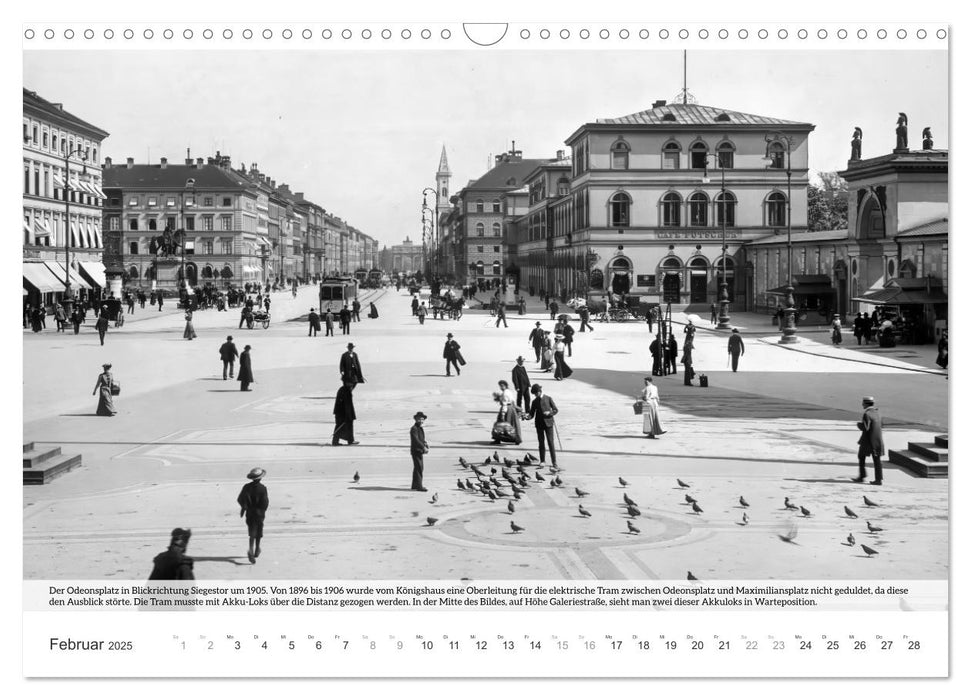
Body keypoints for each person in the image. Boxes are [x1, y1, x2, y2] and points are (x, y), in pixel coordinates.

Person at [237, 467, 269, 564]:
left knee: (252, 532)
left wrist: (244, 507)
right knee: (259, 532)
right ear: (260, 478)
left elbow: (240, 499)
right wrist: (262, 511)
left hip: (250, 513)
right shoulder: (262, 488)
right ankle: (257, 549)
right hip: (259, 514)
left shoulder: (246, 487)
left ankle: (251, 549)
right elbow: (265, 502)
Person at [853, 396, 884, 485]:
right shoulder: (878, 413)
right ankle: (878, 480)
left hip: (867, 441)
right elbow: (882, 425)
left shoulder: (867, 414)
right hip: (878, 440)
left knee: (861, 457)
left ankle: (862, 476)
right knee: (877, 460)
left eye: (863, 403)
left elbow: (865, 427)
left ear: (866, 404)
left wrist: (859, 425)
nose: (862, 404)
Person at [526, 384, 558, 468]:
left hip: (549, 424)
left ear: (540, 392)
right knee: (541, 443)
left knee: (550, 443)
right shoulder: (534, 402)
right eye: (534, 394)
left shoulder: (548, 398)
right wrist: (527, 417)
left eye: (536, 393)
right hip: (539, 424)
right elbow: (531, 414)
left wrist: (550, 413)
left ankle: (554, 462)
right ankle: (542, 461)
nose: (535, 395)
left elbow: (555, 410)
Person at [492, 380, 522, 444]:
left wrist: (503, 414)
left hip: (507, 410)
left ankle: (498, 439)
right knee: (514, 424)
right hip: (512, 409)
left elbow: (504, 404)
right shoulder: (509, 391)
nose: (501, 387)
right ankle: (517, 438)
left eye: (502, 386)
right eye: (500, 386)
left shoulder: (505, 393)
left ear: (505, 386)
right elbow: (513, 401)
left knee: (500, 424)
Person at [332, 380, 359, 446]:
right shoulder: (346, 390)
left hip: (341, 412)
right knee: (341, 426)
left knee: (343, 426)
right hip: (343, 412)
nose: (352, 384)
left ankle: (349, 440)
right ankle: (337, 441)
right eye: (351, 383)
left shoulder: (344, 389)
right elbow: (347, 404)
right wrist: (348, 415)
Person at [410, 412, 429, 491]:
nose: (421, 421)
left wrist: (425, 444)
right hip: (416, 450)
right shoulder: (414, 428)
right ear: (416, 419)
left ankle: (415, 485)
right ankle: (419, 486)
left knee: (417, 467)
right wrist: (423, 447)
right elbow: (416, 440)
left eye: (422, 419)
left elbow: (421, 439)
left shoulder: (420, 428)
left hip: (419, 450)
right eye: (419, 419)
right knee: (419, 468)